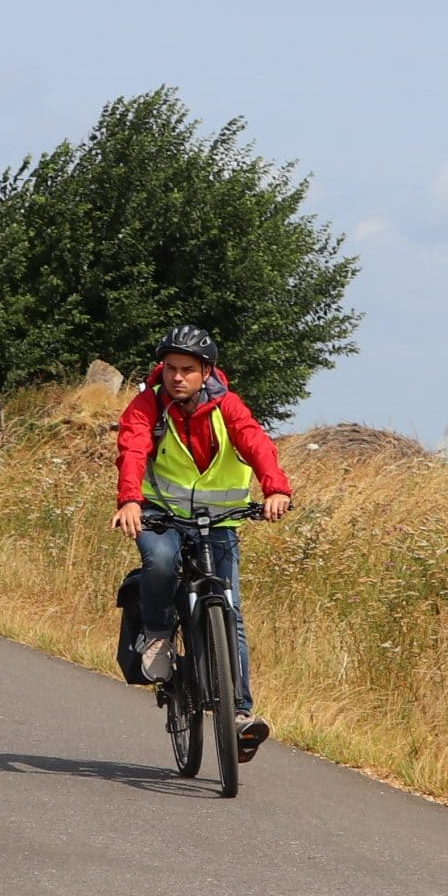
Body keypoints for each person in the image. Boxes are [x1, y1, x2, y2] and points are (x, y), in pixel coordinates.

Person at [112, 324, 294, 761]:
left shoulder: (226, 406)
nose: (177, 377)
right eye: (170, 368)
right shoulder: (147, 405)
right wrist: (130, 500)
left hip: (219, 521)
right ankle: (157, 633)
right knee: (158, 562)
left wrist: (276, 489)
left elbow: (255, 442)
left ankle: (238, 714)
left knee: (227, 608)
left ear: (206, 371)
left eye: (187, 370)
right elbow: (133, 449)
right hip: (161, 515)